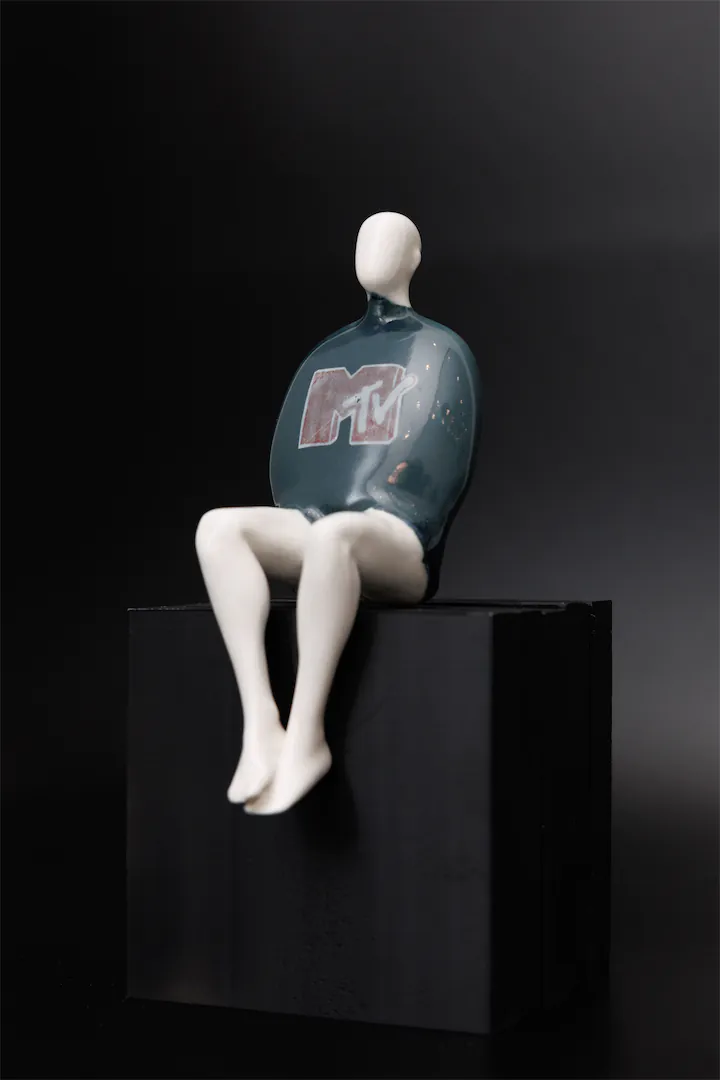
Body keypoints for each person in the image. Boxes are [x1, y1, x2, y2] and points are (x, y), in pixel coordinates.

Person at [196, 211, 481, 815]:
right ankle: (261, 722)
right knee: (219, 527)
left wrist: (390, 510)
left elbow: (442, 463)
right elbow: (290, 466)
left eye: (390, 239)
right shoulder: (330, 353)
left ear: (415, 257)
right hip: (324, 524)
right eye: (365, 238)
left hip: (398, 543)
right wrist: (309, 512)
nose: (375, 249)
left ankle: (308, 734)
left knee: (336, 537)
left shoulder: (440, 350)